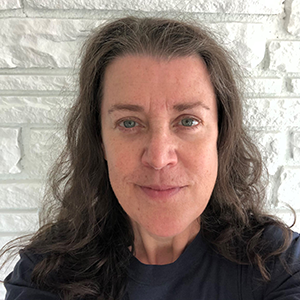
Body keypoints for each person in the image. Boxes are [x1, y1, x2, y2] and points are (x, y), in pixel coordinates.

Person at [2, 16, 300, 300]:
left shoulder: (281, 266)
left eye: (187, 121)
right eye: (129, 123)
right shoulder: (46, 273)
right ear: (100, 140)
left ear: (221, 137)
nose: (159, 158)